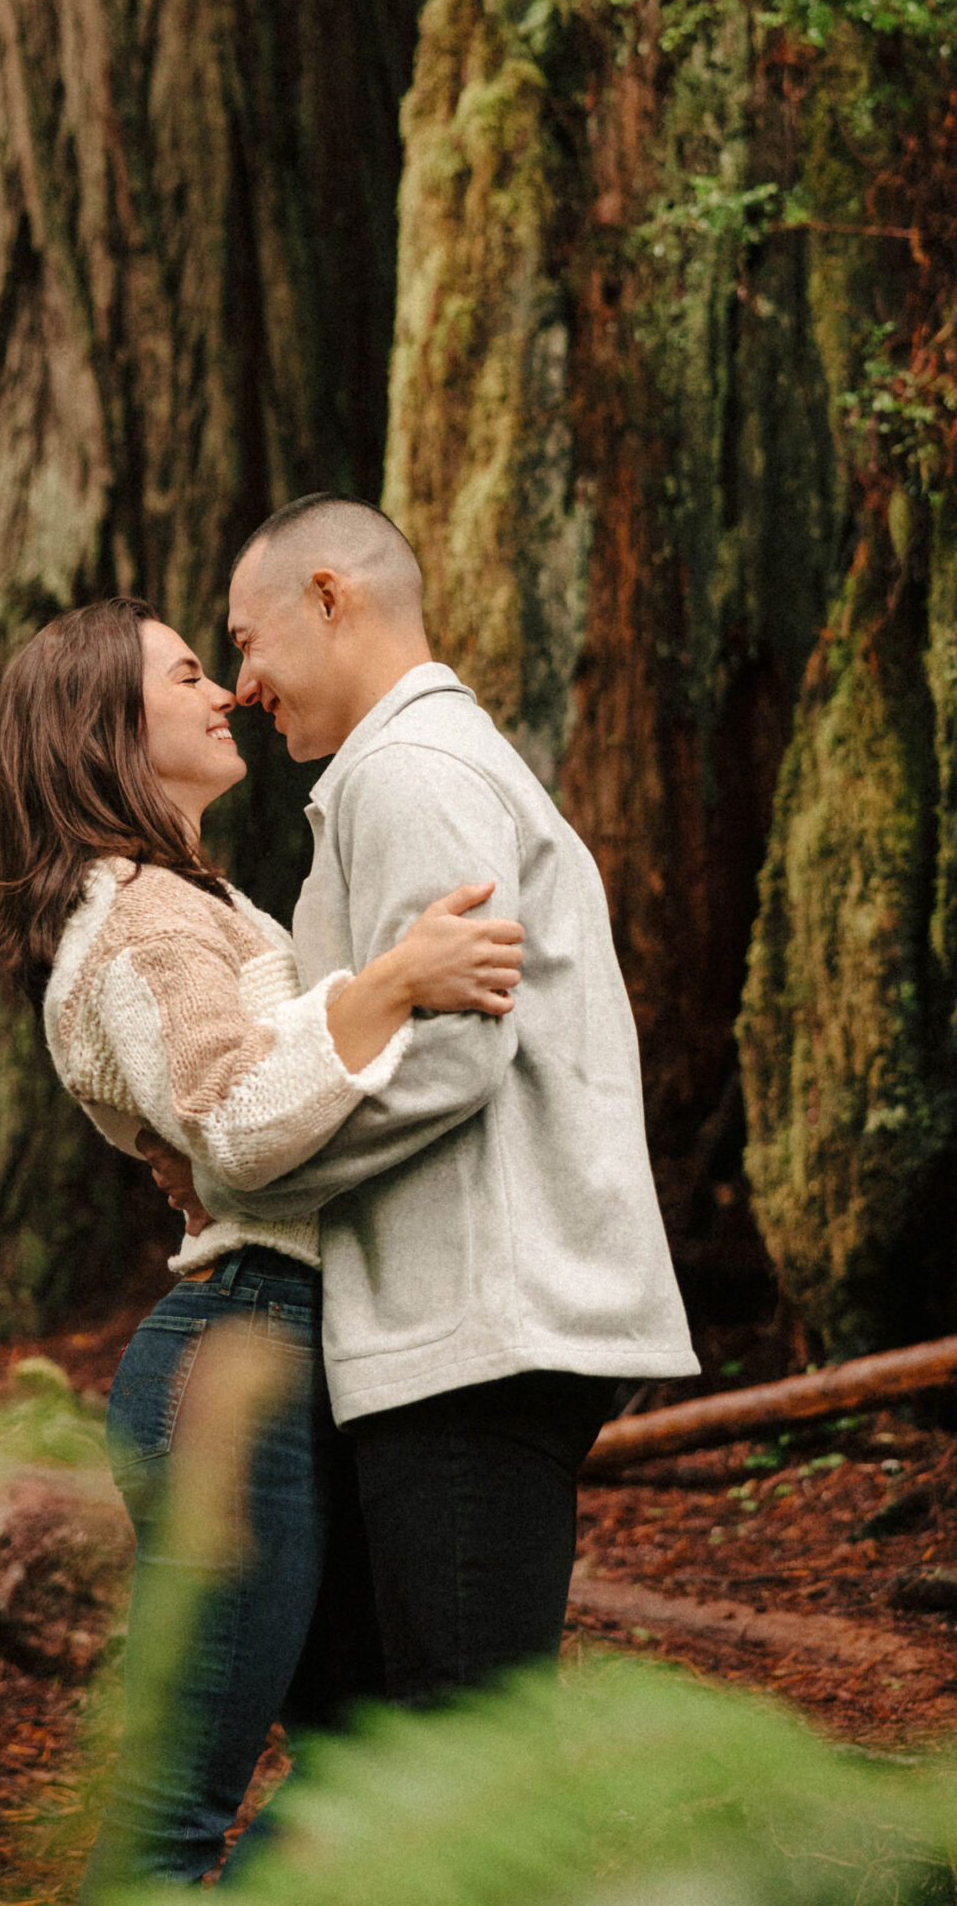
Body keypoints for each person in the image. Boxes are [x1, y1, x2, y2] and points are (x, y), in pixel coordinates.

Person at [0, 595, 523, 1888]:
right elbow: (231, 1115)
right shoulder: (144, 922)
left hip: (275, 1354)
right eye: (183, 673)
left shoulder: (180, 900)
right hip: (235, 1363)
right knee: (177, 1810)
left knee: (362, 1760)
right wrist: (394, 979)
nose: (222, 691)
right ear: (106, 723)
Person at [193, 492, 699, 1709]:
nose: (239, 685)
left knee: (457, 1744)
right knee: (395, 1726)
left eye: (246, 641)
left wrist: (243, 1167)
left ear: (331, 596)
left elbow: (452, 1057)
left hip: (479, 1331)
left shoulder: (410, 771)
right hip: (466, 1323)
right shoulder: (420, 765)